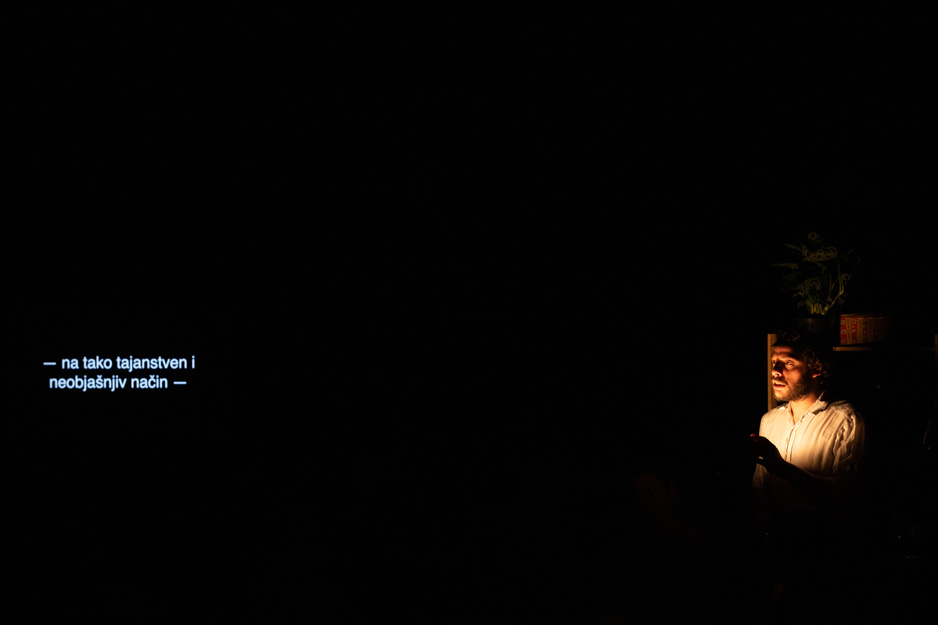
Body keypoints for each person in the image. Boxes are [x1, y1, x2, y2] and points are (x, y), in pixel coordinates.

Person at [745, 329, 869, 620]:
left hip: (824, 555)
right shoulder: (769, 420)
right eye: (774, 362)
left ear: (816, 369)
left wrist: (783, 469)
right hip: (778, 552)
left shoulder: (846, 419)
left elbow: (846, 495)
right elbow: (760, 489)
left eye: (788, 363)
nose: (775, 371)